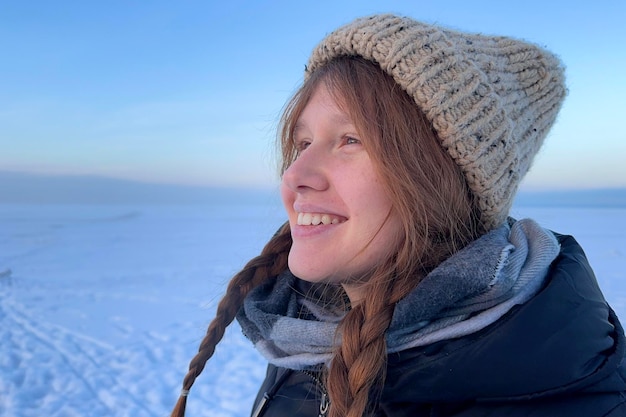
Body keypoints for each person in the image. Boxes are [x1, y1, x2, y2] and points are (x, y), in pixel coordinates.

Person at [171, 14, 626, 417]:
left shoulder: (570, 398)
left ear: (438, 181)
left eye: (351, 140)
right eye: (304, 143)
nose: (294, 176)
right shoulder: (303, 336)